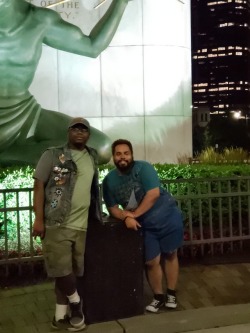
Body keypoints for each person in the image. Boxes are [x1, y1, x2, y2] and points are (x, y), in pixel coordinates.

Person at [0, 0, 131, 166]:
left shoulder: (39, 20)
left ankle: (10, 154)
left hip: (25, 113)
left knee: (100, 148)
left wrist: (121, 2)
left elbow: (92, 46)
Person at [32, 117, 102, 331]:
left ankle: (60, 316)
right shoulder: (52, 155)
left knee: (67, 271)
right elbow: (38, 185)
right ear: (68, 132)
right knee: (61, 269)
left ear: (88, 134)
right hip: (56, 222)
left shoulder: (92, 156)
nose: (80, 132)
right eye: (75, 129)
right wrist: (39, 218)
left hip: (82, 225)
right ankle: (76, 304)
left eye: (84, 129)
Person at [102, 139, 184, 313]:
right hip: (144, 226)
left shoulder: (144, 168)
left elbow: (153, 194)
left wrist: (134, 214)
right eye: (118, 154)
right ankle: (158, 296)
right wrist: (125, 218)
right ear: (113, 157)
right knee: (151, 261)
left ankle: (171, 293)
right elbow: (112, 208)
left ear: (131, 155)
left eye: (126, 153)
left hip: (168, 216)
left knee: (171, 254)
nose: (122, 157)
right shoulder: (109, 181)